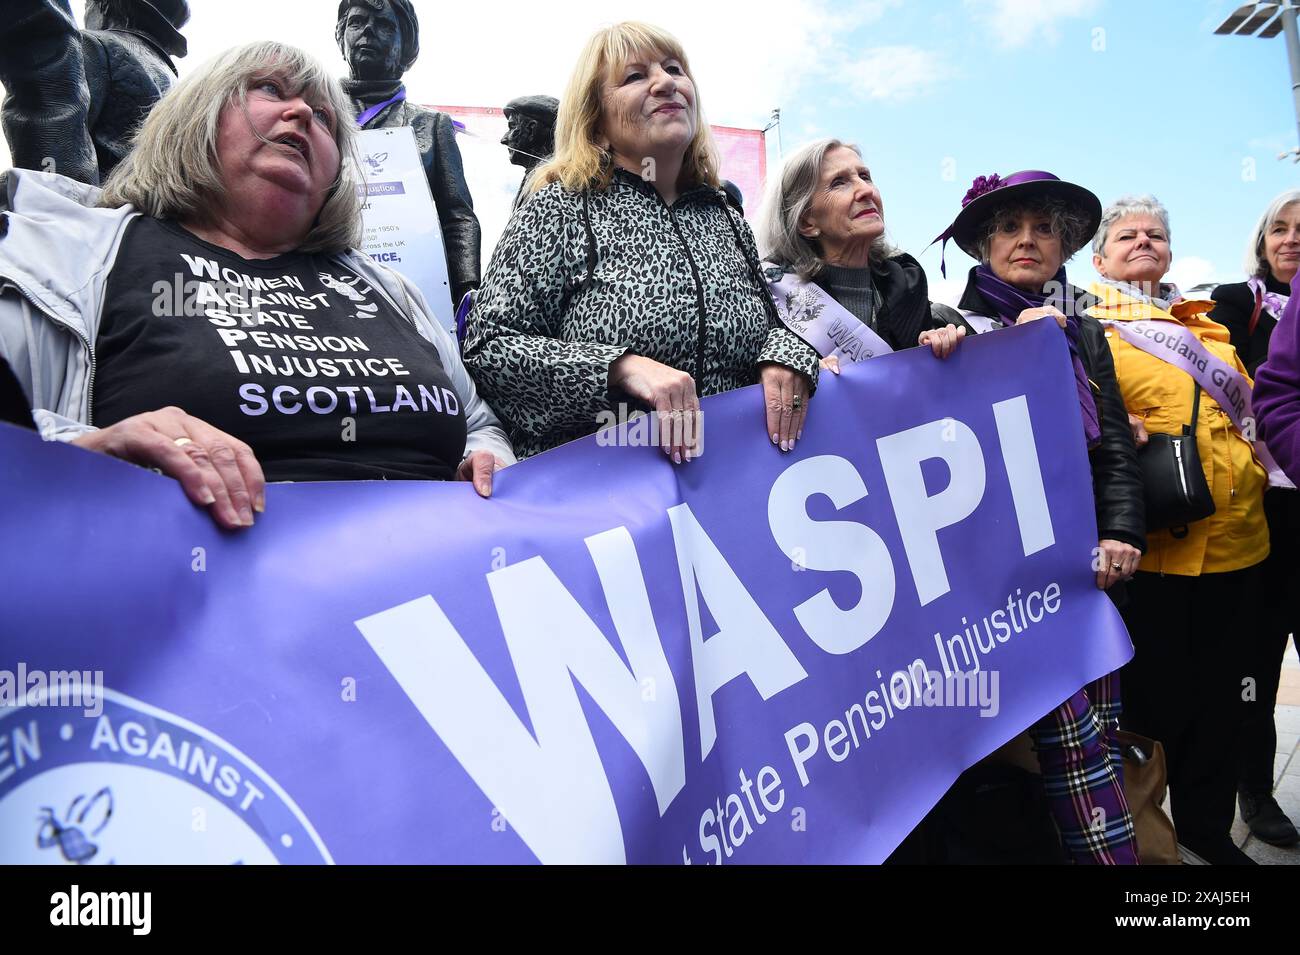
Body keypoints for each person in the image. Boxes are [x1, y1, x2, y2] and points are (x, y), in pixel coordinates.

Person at [0, 41, 514, 531]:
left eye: (326, 117)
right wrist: (84, 452)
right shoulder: (64, 254)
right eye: (270, 88)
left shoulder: (389, 288)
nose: (303, 114)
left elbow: (478, 424)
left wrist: (484, 463)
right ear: (194, 113)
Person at [463, 21, 819, 462]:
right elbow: (488, 347)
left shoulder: (724, 216)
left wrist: (784, 357)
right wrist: (620, 368)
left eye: (674, 69)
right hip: (603, 507)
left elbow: (775, 329)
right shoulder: (559, 206)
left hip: (728, 495)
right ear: (596, 118)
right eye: (635, 76)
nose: (665, 83)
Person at [935, 170, 1145, 864]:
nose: (1027, 239)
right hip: (994, 587)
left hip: (1082, 564)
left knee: (1096, 735)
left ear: (1064, 247)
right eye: (1009, 227)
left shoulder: (1084, 334)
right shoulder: (944, 329)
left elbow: (1112, 441)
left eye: (1044, 228)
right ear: (982, 244)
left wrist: (1120, 529)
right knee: (1067, 743)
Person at [1088, 195, 1271, 863]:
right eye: (1127, 235)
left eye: (1155, 233)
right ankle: (1146, 840)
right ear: (1100, 257)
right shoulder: (1087, 326)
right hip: (1157, 556)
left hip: (1241, 548)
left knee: (1226, 708)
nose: (1143, 241)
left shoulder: (1214, 330)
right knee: (1151, 714)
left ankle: (1208, 828)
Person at [1217, 190, 1300, 847]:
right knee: (1255, 666)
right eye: (1281, 228)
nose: (1291, 239)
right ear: (1262, 237)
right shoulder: (1236, 303)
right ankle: (1256, 790)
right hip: (1265, 511)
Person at [756, 137, 966, 372]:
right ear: (807, 221)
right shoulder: (770, 298)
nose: (866, 190)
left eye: (865, 176)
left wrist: (938, 345)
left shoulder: (908, 284)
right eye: (838, 183)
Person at [335, 0, 481, 307]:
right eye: (357, 22)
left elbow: (458, 217)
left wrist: (465, 292)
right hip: (331, 288)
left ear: (407, 47)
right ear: (341, 36)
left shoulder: (431, 125)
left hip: (412, 297)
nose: (368, 32)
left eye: (385, 26)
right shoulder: (317, 117)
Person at [0, 0, 190, 185]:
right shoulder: (179, 87)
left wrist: (48, 194)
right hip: (147, 212)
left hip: (88, 206)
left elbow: (54, 124)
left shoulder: (94, 45)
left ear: (104, 5)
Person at [501, 94, 559, 209]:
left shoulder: (549, 190)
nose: (504, 139)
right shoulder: (535, 178)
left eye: (512, 126)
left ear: (531, 129)